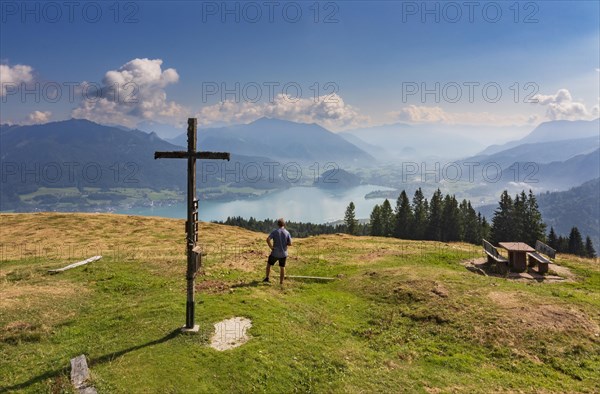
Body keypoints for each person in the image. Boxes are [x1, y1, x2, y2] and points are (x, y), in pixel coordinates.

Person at [264, 218, 292, 285]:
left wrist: (271, 247)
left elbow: (268, 239)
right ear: (284, 224)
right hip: (283, 254)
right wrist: (285, 243)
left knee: (269, 264)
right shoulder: (287, 233)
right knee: (282, 267)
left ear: (278, 224)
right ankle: (281, 282)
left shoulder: (275, 232)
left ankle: (267, 278)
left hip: (275, 253)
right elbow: (290, 243)